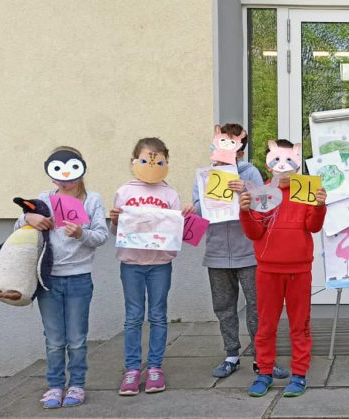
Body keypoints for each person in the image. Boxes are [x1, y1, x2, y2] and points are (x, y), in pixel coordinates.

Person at [192, 124, 289, 380]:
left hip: (248, 251)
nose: (229, 148)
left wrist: (243, 192)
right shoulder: (205, 175)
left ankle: (263, 358)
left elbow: (264, 205)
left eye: (234, 143)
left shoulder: (251, 172)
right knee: (224, 306)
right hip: (216, 252)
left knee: (258, 307)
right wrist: (210, 200)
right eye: (223, 142)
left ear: (241, 147)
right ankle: (231, 355)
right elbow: (198, 211)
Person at [20, 147, 108, 408]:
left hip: (79, 278)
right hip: (47, 278)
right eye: (59, 171)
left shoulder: (92, 199)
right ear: (51, 172)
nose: (66, 177)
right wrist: (30, 216)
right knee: (55, 339)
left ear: (81, 170)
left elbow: (101, 236)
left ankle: (77, 384)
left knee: (77, 338)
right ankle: (55, 385)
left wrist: (82, 234)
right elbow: (20, 226)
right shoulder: (43, 198)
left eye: (72, 170)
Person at [239, 139, 327, 398]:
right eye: (277, 160)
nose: (283, 166)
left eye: (289, 160)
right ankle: (264, 372)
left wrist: (320, 206)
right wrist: (245, 212)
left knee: (300, 325)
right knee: (266, 325)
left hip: (299, 270)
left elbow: (313, 226)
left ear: (298, 163)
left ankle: (299, 375)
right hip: (267, 271)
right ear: (268, 164)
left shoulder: (306, 192)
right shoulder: (262, 193)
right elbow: (254, 232)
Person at [110, 138, 194, 396]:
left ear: (165, 163)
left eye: (158, 161)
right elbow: (118, 231)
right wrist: (115, 220)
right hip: (131, 263)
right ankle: (133, 369)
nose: (151, 165)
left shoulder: (170, 194)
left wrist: (186, 217)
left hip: (160, 264)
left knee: (158, 315)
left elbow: (177, 231)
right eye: (146, 160)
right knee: (133, 317)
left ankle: (155, 367)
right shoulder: (124, 192)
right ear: (134, 161)